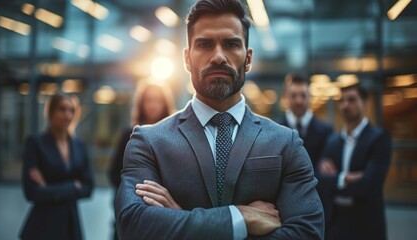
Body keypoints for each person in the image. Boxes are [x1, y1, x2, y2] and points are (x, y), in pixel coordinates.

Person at [115, 0, 324, 239]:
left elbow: (308, 233)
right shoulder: (149, 142)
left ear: (247, 58)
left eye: (231, 43)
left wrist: (181, 218)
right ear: (186, 59)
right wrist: (239, 218)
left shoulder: (285, 143)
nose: (218, 56)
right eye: (204, 44)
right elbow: (133, 226)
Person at [316, 85, 391, 240]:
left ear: (365, 102)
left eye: (351, 100)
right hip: (335, 224)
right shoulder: (332, 141)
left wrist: (334, 180)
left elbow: (370, 184)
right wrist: (344, 178)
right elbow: (320, 180)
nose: (345, 105)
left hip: (366, 224)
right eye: (342, 100)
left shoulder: (378, 138)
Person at [20, 93, 93, 240]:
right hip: (43, 225)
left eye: (71, 110)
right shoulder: (35, 143)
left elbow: (88, 187)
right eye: (62, 109)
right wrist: (73, 186)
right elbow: (31, 192)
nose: (67, 114)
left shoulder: (79, 144)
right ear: (50, 111)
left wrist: (46, 187)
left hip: (70, 225)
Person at [108, 82, 175, 240]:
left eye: (157, 100)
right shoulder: (128, 134)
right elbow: (113, 174)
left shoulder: (174, 136)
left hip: (163, 215)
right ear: (141, 103)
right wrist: (138, 189)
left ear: (165, 104)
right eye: (148, 100)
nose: (153, 105)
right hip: (133, 210)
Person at [280, 74, 333, 167]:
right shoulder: (276, 129)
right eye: (294, 95)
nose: (298, 100)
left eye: (303, 95)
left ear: (310, 97)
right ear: (287, 97)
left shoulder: (326, 131)